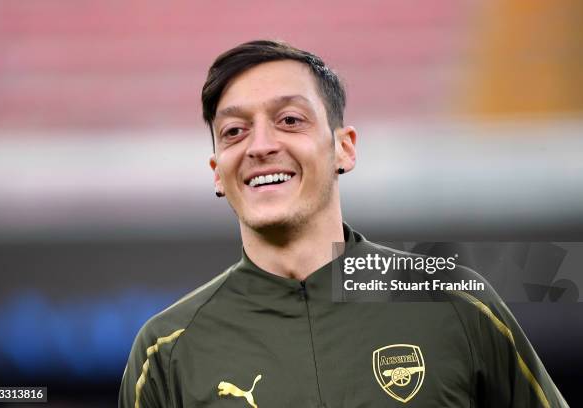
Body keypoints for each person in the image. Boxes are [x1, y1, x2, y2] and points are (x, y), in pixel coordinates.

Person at [119, 40, 568, 407]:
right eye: (235, 131)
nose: (260, 145)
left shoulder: (455, 303)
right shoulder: (165, 351)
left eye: (289, 120)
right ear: (218, 170)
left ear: (343, 149)